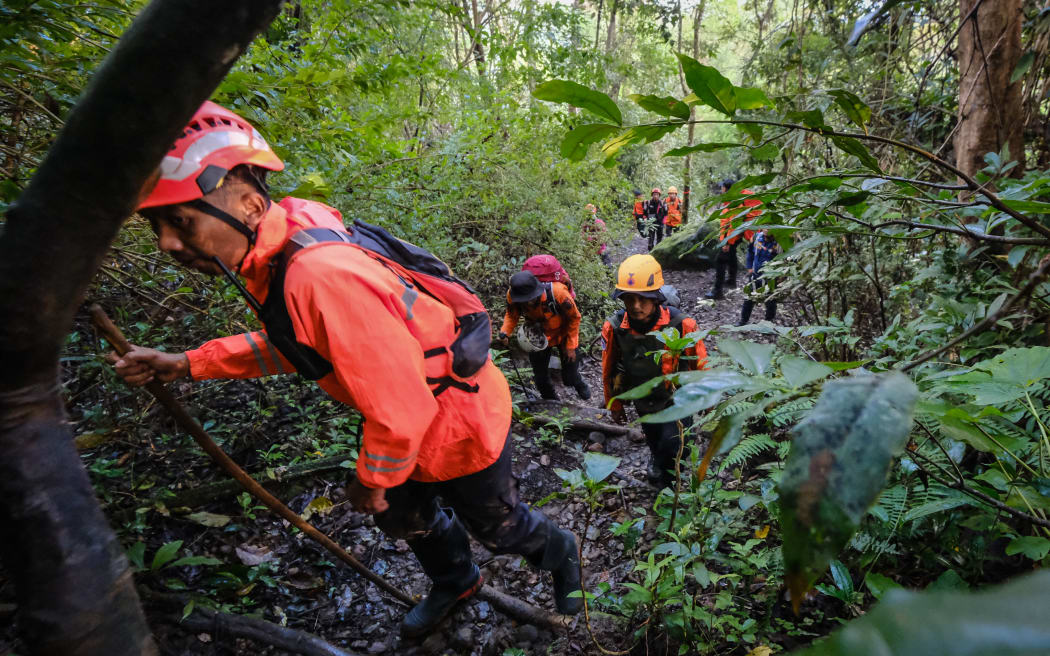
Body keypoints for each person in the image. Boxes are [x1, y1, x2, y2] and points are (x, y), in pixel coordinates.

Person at [107, 101, 582, 638]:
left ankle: (561, 553)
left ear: (246, 203)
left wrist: (369, 481)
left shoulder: (318, 274)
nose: (167, 242)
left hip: (455, 420)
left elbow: (402, 409)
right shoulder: (282, 249)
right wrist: (188, 363)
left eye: (180, 221)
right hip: (403, 419)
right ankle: (457, 579)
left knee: (498, 526)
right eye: (157, 225)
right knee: (405, 518)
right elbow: (300, 346)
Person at [601, 254, 708, 488]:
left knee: (673, 445)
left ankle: (669, 487)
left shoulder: (682, 325)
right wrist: (614, 404)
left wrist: (709, 398)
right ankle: (657, 460)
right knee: (653, 436)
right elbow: (608, 367)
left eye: (643, 299)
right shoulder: (616, 328)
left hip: (678, 400)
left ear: (656, 298)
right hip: (644, 398)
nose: (636, 306)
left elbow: (700, 363)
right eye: (629, 299)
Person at [498, 271, 591, 401]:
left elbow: (574, 318)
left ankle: (579, 383)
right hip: (537, 337)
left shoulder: (559, 293)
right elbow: (512, 315)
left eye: (529, 299)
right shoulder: (514, 295)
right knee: (540, 378)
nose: (526, 303)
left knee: (570, 376)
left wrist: (571, 346)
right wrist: (505, 331)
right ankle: (551, 402)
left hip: (564, 334)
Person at [706, 179, 762, 300]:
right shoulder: (737, 198)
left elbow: (732, 224)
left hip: (738, 234)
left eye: (722, 188)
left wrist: (727, 242)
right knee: (731, 255)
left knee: (721, 260)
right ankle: (731, 281)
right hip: (743, 232)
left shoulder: (734, 202)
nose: (721, 189)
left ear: (727, 189)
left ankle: (717, 291)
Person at [739, 228, 780, 325]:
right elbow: (750, 251)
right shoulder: (756, 237)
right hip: (755, 274)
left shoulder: (780, 242)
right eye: (765, 226)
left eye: (770, 226)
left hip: (771, 277)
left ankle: (768, 322)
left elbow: (788, 257)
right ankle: (743, 321)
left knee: (770, 300)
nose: (767, 229)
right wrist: (749, 266)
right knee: (749, 297)